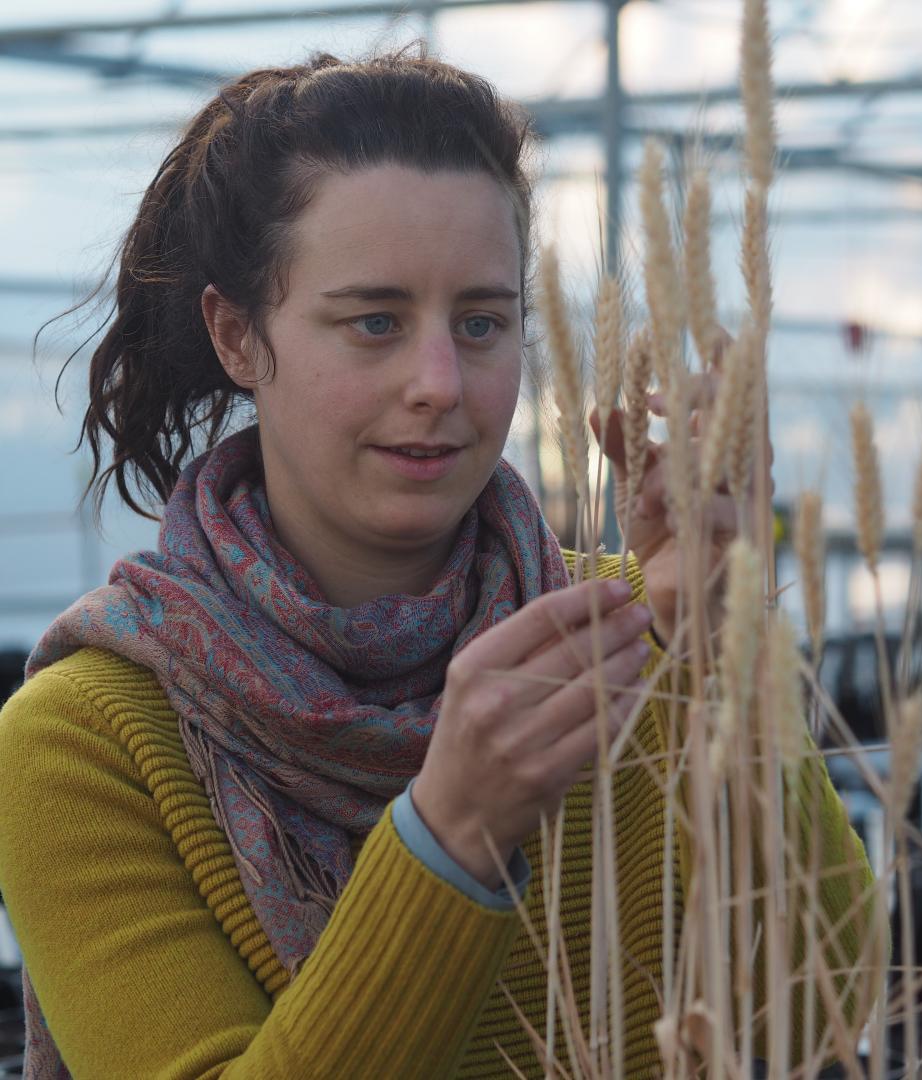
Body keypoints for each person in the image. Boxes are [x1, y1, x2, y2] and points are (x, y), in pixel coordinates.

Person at [0, 45, 876, 1079]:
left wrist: (723, 648)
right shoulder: (85, 739)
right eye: (374, 321)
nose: (440, 383)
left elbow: (813, 1017)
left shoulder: (624, 633)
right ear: (239, 336)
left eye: (482, 322)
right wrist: (450, 836)